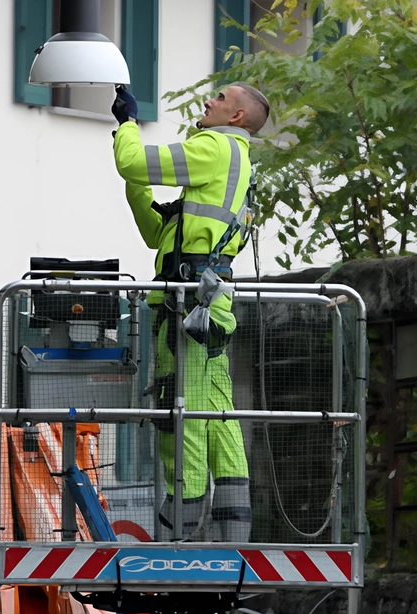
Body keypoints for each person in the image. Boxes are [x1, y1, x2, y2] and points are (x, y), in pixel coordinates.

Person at [110, 83, 270, 542]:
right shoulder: (233, 164)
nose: (209, 102)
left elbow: (134, 160)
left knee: (183, 415)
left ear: (236, 117)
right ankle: (233, 540)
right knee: (218, 418)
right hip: (205, 308)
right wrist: (135, 183)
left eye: (219, 97)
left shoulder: (214, 146)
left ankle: (176, 538)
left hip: (188, 311)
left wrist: (126, 125)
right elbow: (155, 230)